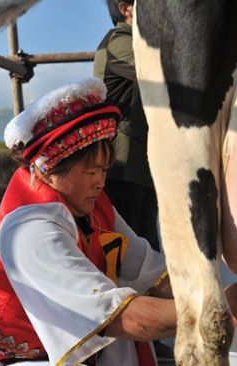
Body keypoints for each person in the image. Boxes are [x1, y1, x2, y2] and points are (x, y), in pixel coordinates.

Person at [0, 77, 237, 366]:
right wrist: (217, 312)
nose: (100, 180)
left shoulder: (91, 205)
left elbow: (149, 271)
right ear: (50, 169)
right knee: (115, 337)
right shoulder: (30, 233)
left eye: (104, 169)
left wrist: (215, 293)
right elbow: (122, 320)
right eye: (89, 170)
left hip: (30, 343)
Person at [93, 0, 160, 252]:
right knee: (128, 249)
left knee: (147, 247)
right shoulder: (119, 41)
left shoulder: (138, 43)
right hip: (121, 166)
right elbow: (160, 72)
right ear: (125, 8)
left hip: (140, 165)